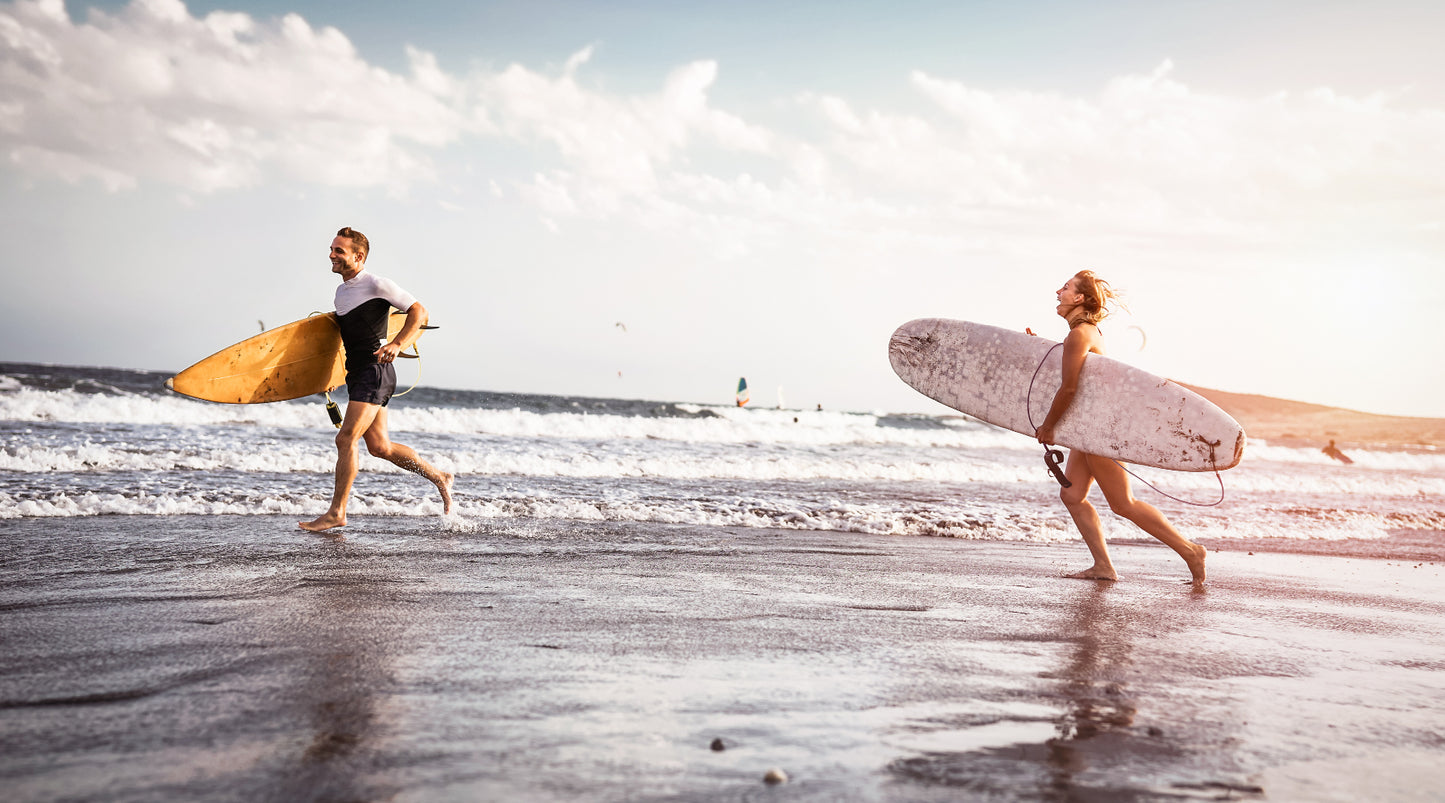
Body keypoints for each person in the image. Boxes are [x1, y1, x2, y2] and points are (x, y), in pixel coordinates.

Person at [1033, 271, 1207, 583]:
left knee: (1123, 503)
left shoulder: (1079, 335)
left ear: (1080, 299)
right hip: (1089, 431)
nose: (1058, 291)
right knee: (1072, 497)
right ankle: (1103, 566)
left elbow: (1070, 388)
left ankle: (1190, 550)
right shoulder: (1088, 333)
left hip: (1101, 432)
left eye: (1066, 287)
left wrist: (1048, 426)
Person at [300, 227, 453, 532]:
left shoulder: (376, 284)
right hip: (357, 373)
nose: (331, 255)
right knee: (380, 447)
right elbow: (347, 341)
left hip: (375, 371)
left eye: (338, 251)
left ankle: (337, 512)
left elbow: (418, 311)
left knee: (345, 439)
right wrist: (331, 376)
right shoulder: (342, 292)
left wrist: (397, 344)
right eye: (331, 249)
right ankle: (439, 476)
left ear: (359, 256)